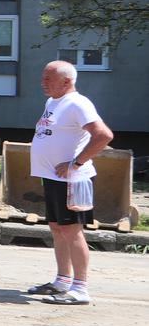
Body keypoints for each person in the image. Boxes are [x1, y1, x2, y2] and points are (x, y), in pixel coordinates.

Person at [26, 61, 114, 305]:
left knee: (71, 230)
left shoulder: (78, 103)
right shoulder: (53, 102)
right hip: (54, 178)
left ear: (67, 81)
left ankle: (80, 288)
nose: (43, 82)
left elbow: (104, 135)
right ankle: (62, 280)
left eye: (49, 78)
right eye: (43, 77)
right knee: (57, 228)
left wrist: (76, 163)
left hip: (72, 179)